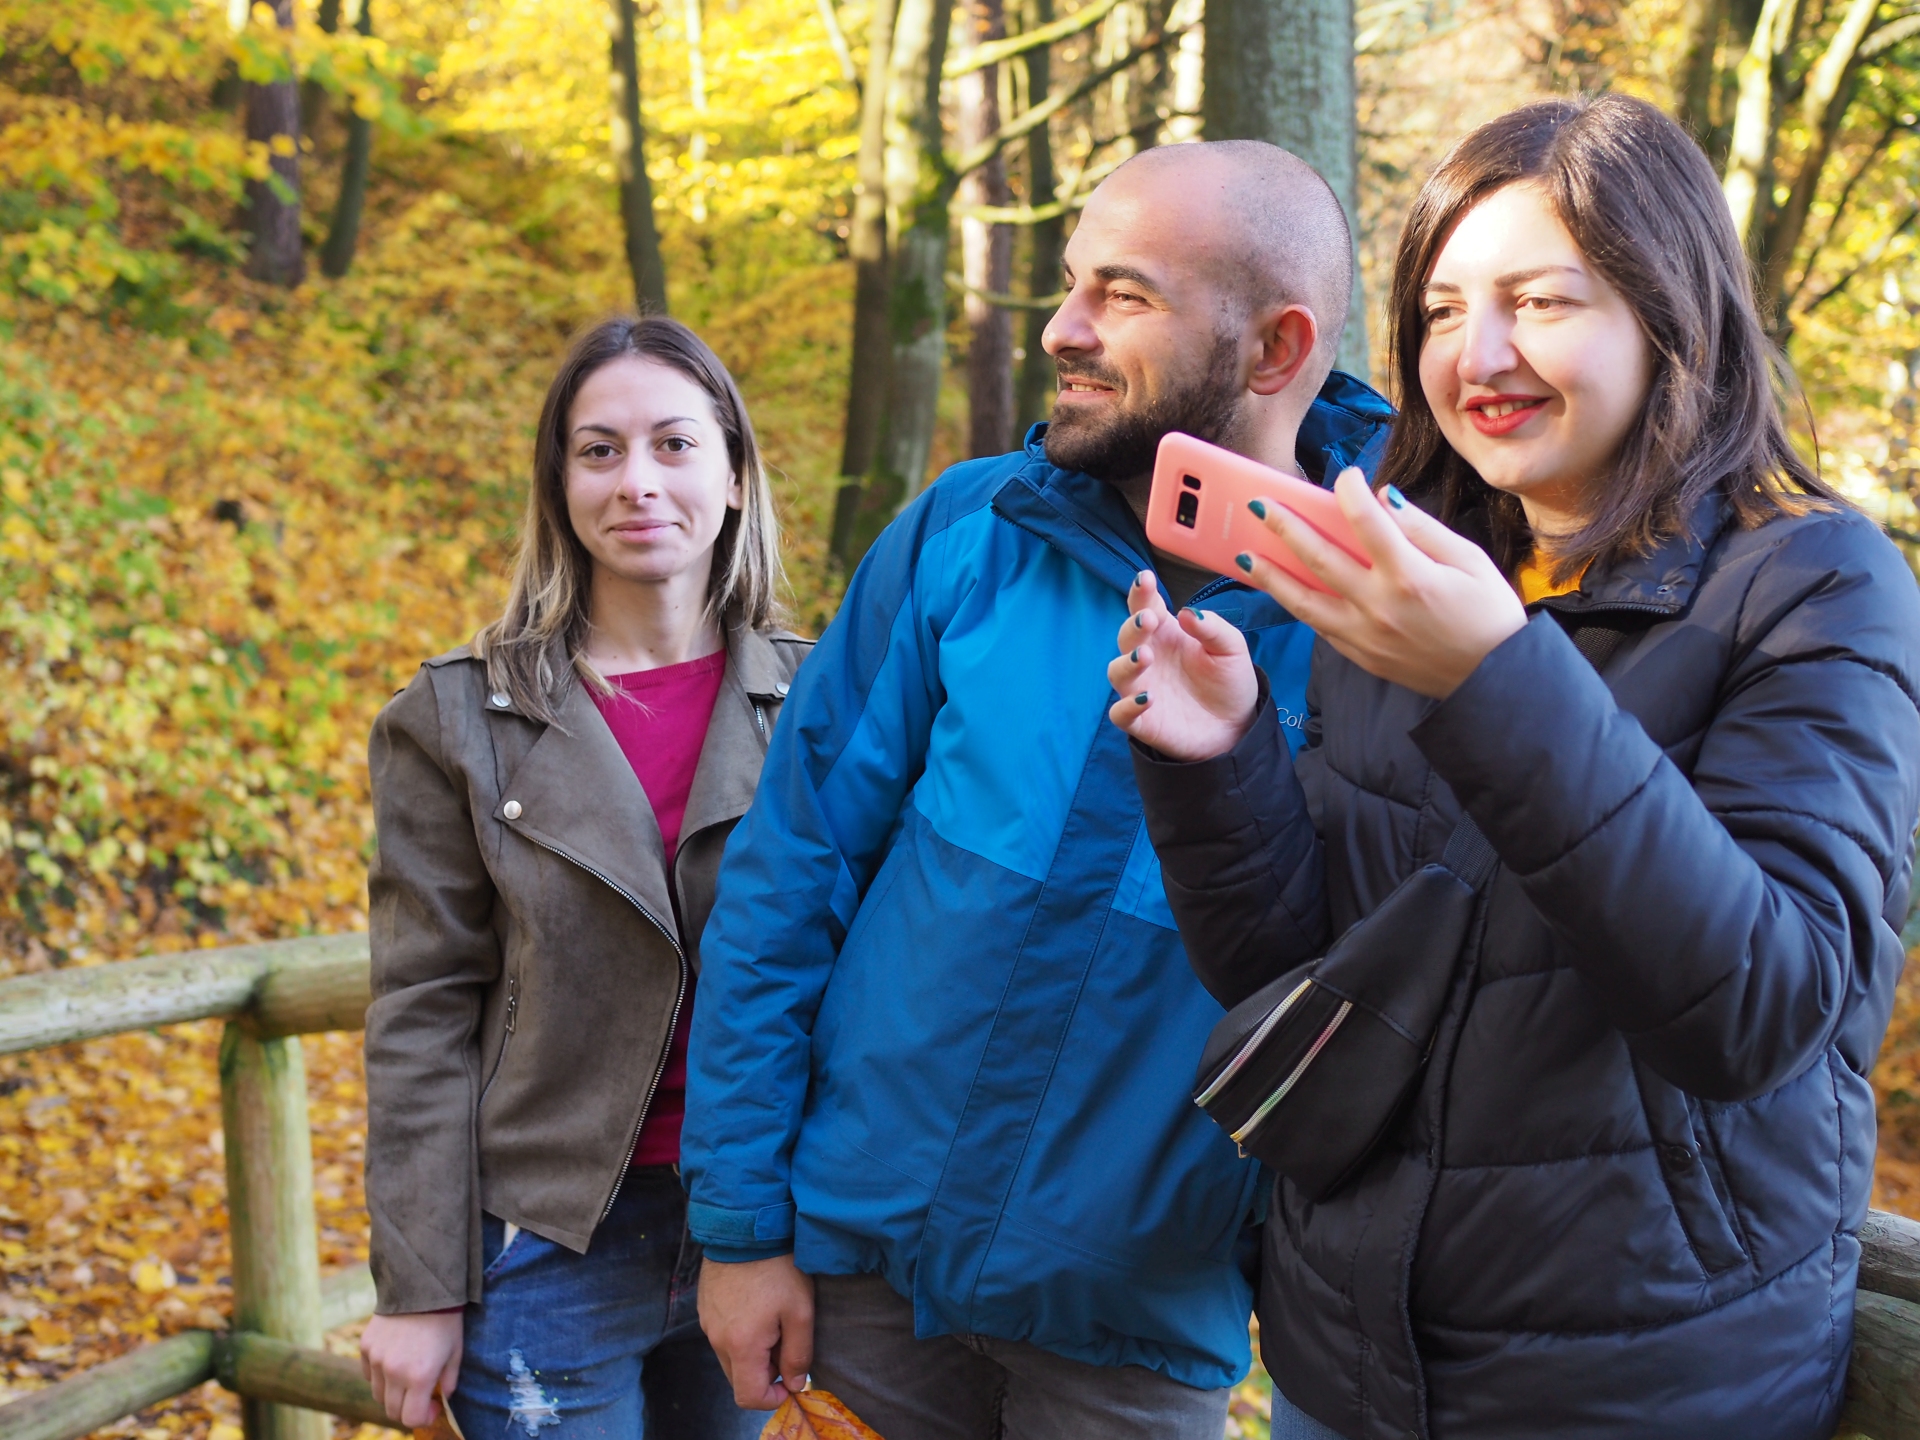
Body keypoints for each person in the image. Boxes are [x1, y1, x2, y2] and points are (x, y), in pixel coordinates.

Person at [1110, 94, 1920, 1440]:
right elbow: (1302, 970)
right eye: (1440, 311)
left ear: (1669, 313)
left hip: (1642, 1390)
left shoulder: (1818, 585)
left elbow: (1764, 1013)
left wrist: (1494, 678)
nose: (1477, 355)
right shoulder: (1420, 559)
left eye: (1540, 302)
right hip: (1341, 1363)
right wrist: (1219, 762)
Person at [682, 140, 1391, 1437]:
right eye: (1071, 283)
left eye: (1123, 295)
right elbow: (788, 876)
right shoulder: (969, 530)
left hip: (1140, 1339)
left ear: (1276, 350)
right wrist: (741, 1229)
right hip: (856, 1294)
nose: (1063, 327)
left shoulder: (1386, 623)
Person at [357, 316, 807, 1440]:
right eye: (599, 451)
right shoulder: (459, 719)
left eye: (674, 444)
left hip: (764, 1232)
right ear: (560, 487)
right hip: (550, 1244)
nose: (637, 481)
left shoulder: (823, 703)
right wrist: (419, 1285)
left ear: (735, 476)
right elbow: (421, 1009)